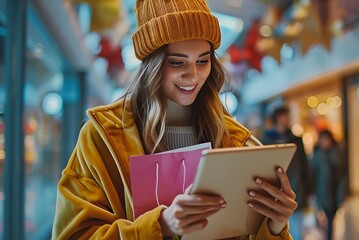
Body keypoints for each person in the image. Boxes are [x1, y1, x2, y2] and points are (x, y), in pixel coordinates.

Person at [51, 0, 298, 239]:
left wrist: (275, 228)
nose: (193, 76)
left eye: (203, 61)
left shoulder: (235, 139)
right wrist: (161, 225)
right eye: (177, 62)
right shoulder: (101, 138)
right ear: (152, 64)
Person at [262, 106, 311, 240]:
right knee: (277, 229)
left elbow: (304, 164)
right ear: (278, 118)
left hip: (297, 189)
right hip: (274, 193)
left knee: (297, 232)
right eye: (285, 116)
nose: (288, 119)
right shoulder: (266, 140)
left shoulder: (296, 140)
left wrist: (309, 189)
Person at [309, 129, 347, 240]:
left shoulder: (337, 154)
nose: (325, 142)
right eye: (322, 140)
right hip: (321, 193)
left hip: (335, 192)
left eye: (327, 139)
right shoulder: (316, 156)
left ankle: (329, 237)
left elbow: (342, 175)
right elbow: (311, 175)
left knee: (331, 218)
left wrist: (342, 193)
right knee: (322, 219)